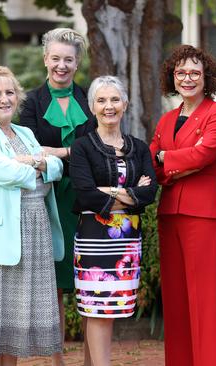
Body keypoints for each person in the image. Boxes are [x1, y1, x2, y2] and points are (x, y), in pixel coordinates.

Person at [0, 65, 65, 365]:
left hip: (32, 234)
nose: (4, 99)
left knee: (13, 332)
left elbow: (56, 168)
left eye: (9, 93)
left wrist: (31, 161)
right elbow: (6, 172)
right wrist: (37, 162)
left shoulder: (25, 132)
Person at [149, 45, 216, 366]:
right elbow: (152, 166)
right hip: (169, 214)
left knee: (204, 304)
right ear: (173, 76)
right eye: (181, 72)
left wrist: (165, 157)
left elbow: (204, 155)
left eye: (195, 72)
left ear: (206, 76)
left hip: (205, 216)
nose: (188, 78)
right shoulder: (167, 118)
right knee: (176, 303)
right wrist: (174, 163)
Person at [69, 75, 158, 366]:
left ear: (125, 104)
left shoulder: (140, 147)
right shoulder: (82, 147)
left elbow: (150, 192)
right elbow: (83, 193)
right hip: (94, 239)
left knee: (116, 306)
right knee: (97, 309)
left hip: (128, 241)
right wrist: (130, 193)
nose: (109, 106)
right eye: (102, 100)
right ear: (92, 107)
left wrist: (110, 191)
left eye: (115, 99)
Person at [20, 29, 96, 363]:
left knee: (90, 281)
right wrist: (74, 151)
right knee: (56, 287)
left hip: (87, 198)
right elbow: (29, 148)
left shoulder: (91, 99)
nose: (61, 65)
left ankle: (92, 358)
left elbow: (99, 146)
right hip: (49, 199)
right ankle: (58, 360)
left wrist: (59, 151)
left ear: (77, 62)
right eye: (55, 58)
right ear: (45, 59)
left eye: (68, 59)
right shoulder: (31, 102)